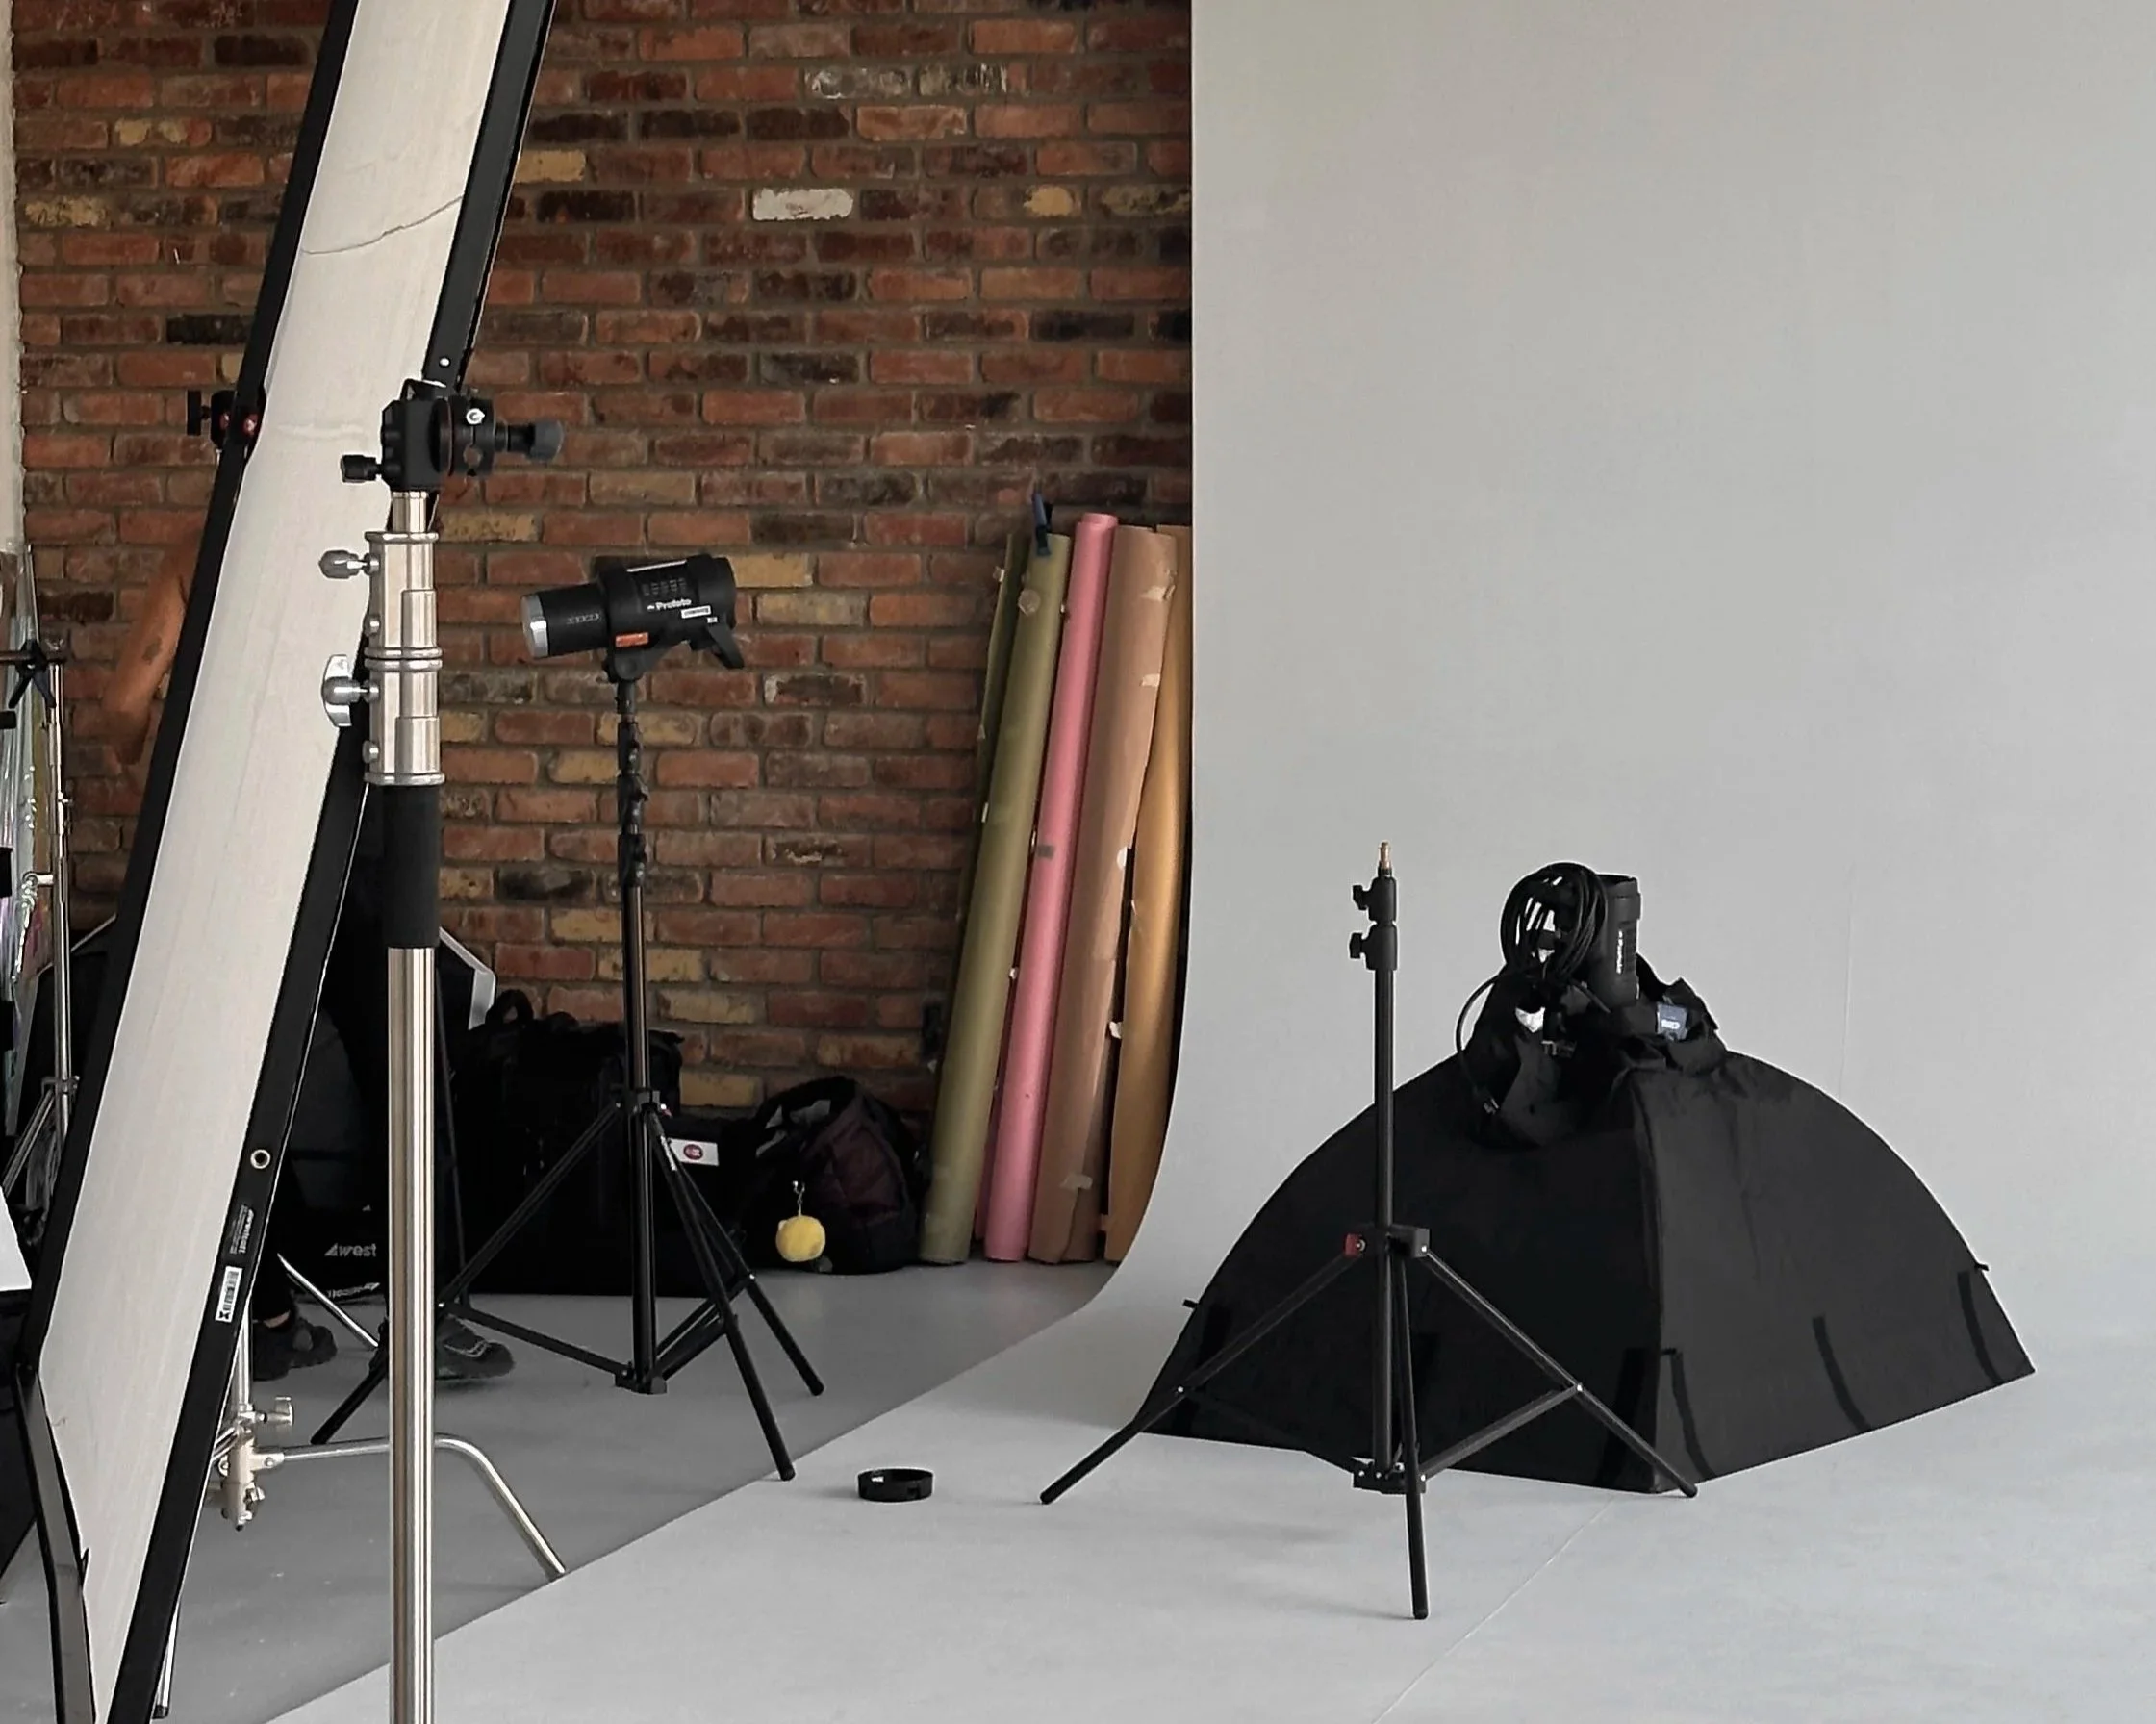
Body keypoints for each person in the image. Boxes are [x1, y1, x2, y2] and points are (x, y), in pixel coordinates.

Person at [103, 539, 512, 1383]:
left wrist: (143, 751)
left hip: (233, 851)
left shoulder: (201, 548)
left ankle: (264, 1318)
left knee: (241, 1096)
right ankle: (419, 1323)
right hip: (351, 851)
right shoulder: (369, 538)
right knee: (406, 1080)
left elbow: (123, 706)